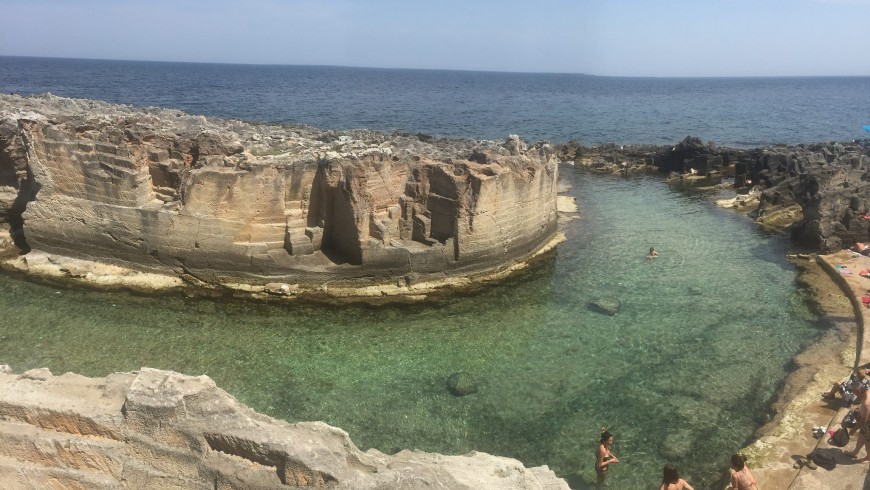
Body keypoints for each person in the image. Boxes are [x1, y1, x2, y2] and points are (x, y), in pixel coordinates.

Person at [847, 382, 870, 462]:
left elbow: (864, 420)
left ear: (859, 392)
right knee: (861, 436)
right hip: (867, 421)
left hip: (868, 423)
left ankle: (868, 457)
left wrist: (854, 429)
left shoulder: (866, 403)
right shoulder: (868, 392)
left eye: (854, 392)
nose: (854, 394)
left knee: (867, 442)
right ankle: (855, 452)